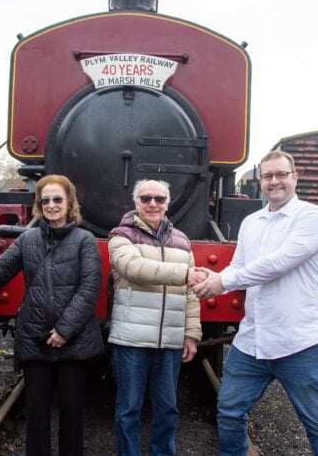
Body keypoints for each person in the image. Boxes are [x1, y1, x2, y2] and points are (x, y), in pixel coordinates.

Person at [191, 150, 318, 456]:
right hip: (253, 341)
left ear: (294, 178)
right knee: (230, 412)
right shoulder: (251, 222)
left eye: (281, 175)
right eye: (268, 176)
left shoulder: (311, 217)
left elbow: (278, 263)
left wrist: (223, 282)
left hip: (298, 343)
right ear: (260, 181)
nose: (274, 182)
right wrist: (214, 278)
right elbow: (239, 266)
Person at [0, 174, 103, 456]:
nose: (51, 205)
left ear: (69, 202)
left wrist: (64, 330)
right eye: (45, 200)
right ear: (39, 205)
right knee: (36, 413)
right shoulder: (27, 240)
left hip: (72, 340)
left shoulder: (85, 240)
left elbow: (89, 288)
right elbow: (0, 271)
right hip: (35, 338)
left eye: (57, 199)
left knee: (72, 412)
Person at [108, 179, 205, 456]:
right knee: (129, 409)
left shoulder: (182, 241)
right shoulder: (120, 236)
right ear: (136, 203)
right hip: (132, 340)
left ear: (167, 204)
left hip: (170, 340)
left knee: (168, 409)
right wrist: (185, 273)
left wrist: (191, 334)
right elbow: (134, 268)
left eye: (159, 199)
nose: (153, 204)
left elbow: (190, 294)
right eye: (146, 198)